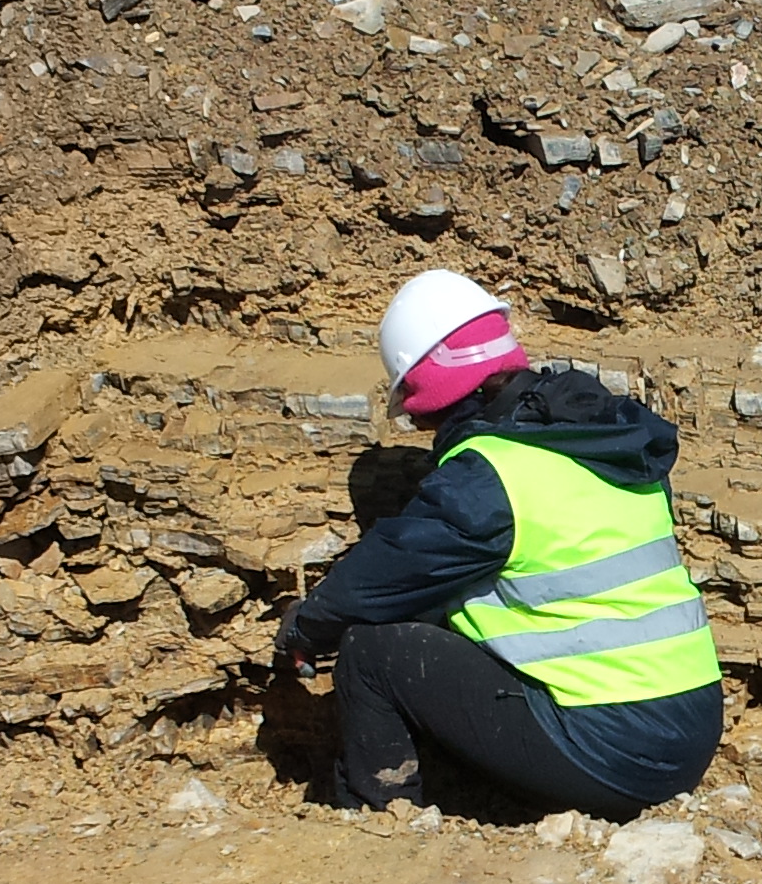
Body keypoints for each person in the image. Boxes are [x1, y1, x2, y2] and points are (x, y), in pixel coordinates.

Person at [276, 269, 724, 819]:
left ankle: (380, 824)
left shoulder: (489, 476)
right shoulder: (603, 442)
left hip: (606, 754)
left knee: (373, 655)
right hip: (688, 736)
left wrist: (306, 625)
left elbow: (383, 576)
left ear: (428, 389)